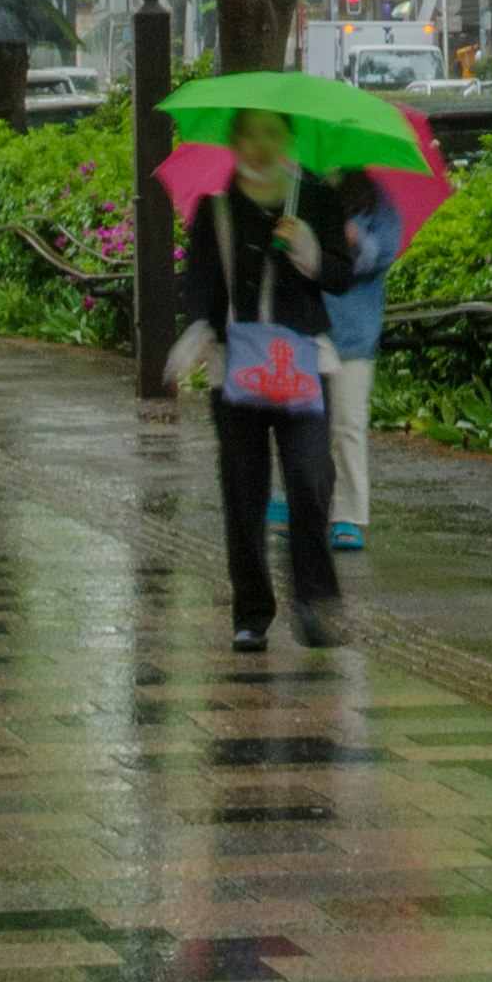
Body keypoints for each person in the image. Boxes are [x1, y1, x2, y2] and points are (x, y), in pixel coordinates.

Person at [173, 104, 351, 649]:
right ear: (235, 139)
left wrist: (312, 254)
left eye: (273, 133)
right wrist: (197, 330)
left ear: (287, 138)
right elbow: (199, 281)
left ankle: (315, 602)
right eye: (250, 134)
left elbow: (341, 278)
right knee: (244, 492)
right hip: (237, 370)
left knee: (310, 480)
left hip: (301, 365)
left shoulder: (315, 198)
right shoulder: (216, 208)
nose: (261, 145)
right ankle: (251, 612)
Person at [322, 175, 402, 557]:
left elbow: (385, 250)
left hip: (355, 332)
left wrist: (356, 241)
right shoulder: (304, 191)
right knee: (304, 423)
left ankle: (348, 516)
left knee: (348, 423)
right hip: (309, 326)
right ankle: (304, 505)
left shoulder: (378, 200)